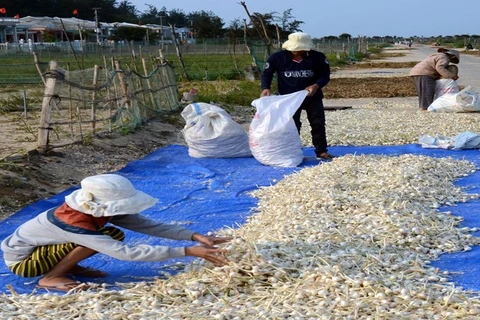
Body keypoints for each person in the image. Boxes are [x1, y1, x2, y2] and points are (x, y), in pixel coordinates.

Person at [1, 174, 231, 292]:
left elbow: (147, 225)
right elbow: (125, 253)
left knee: (112, 234)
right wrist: (188, 251)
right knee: (108, 239)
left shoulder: (94, 211)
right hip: (25, 262)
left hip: (44, 250)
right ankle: (50, 277)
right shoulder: (75, 222)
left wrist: (193, 236)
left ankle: (68, 265)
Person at [260, 32, 334, 160]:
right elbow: (267, 74)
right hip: (289, 98)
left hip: (312, 96)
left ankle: (321, 150)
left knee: (318, 123)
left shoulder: (318, 57)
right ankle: (293, 151)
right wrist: (265, 88)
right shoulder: (277, 58)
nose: (297, 51)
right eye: (295, 49)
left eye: (300, 49)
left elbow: (324, 76)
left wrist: (316, 86)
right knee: (292, 125)